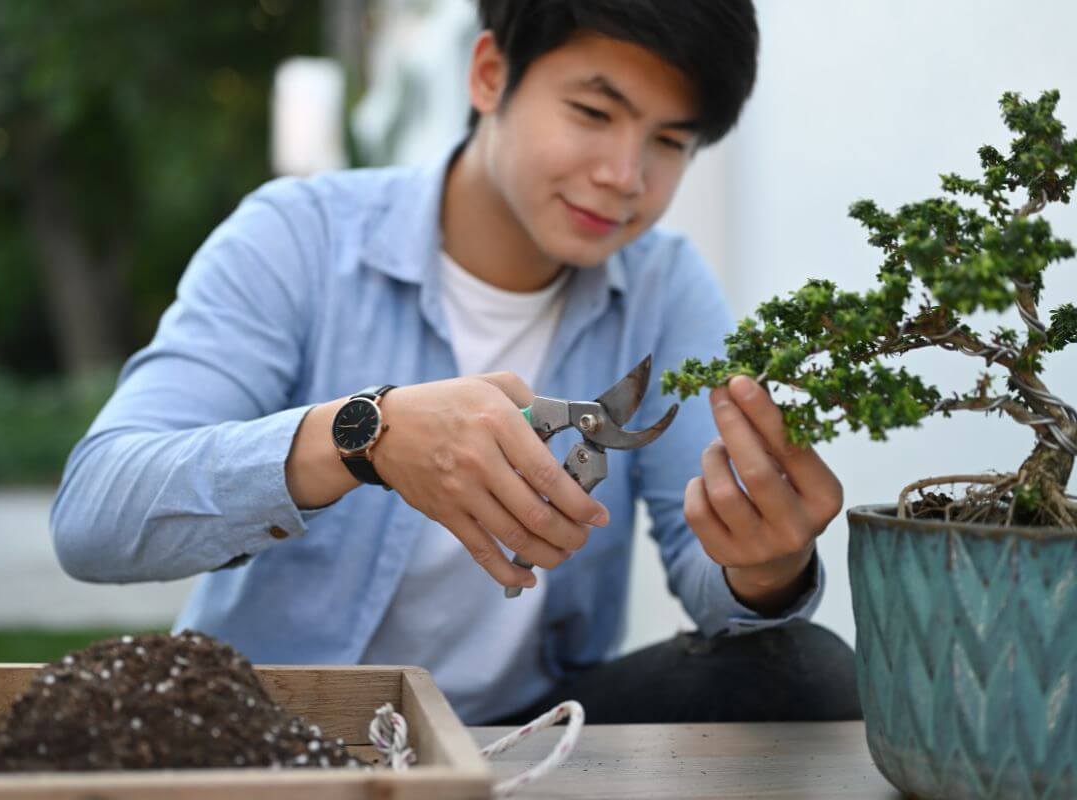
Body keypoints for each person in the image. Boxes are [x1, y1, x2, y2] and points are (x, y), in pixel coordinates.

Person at [51, 0, 861, 726]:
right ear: (488, 74)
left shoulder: (665, 283)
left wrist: (769, 568)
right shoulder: (296, 238)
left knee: (806, 670)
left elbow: (709, 575)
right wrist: (360, 436)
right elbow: (93, 515)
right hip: (266, 725)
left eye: (669, 143)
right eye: (592, 113)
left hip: (523, 731)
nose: (624, 177)